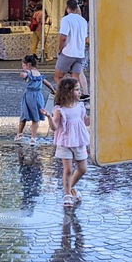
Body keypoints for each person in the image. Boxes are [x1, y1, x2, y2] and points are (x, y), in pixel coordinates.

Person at [52, 78, 90, 208]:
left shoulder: (80, 106)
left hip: (79, 141)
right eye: (77, 90)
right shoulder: (60, 109)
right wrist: (48, 118)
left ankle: (72, 185)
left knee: (83, 169)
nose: (80, 92)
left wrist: (97, 114)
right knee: (68, 169)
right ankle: (67, 194)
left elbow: (86, 122)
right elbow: (55, 127)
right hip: (64, 141)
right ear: (68, 92)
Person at [16, 54, 56, 144]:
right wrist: (53, 90)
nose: (22, 67)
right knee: (36, 117)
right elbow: (47, 83)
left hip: (29, 96)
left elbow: (24, 74)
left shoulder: (29, 73)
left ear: (28, 65)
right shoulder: (38, 74)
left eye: (23, 65)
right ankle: (33, 137)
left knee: (23, 115)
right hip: (38, 96)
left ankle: (19, 134)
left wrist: (23, 74)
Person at [54, 0, 90, 100]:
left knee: (58, 76)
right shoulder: (83, 20)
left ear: (67, 7)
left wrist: (60, 49)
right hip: (79, 53)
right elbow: (85, 37)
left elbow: (63, 37)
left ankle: (64, 95)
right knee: (75, 78)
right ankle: (74, 98)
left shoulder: (66, 19)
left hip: (68, 51)